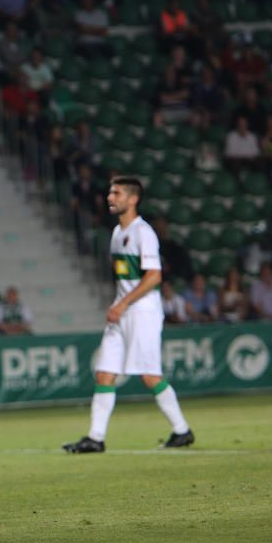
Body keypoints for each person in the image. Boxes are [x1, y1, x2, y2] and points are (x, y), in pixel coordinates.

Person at [63, 177, 194, 454]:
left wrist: (122, 304)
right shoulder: (116, 233)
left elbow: (154, 276)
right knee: (104, 373)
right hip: (122, 312)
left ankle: (182, 430)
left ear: (133, 199)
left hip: (142, 312)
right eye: (110, 192)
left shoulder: (142, 232)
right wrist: (119, 305)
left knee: (149, 376)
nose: (111, 197)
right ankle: (95, 438)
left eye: (117, 193)